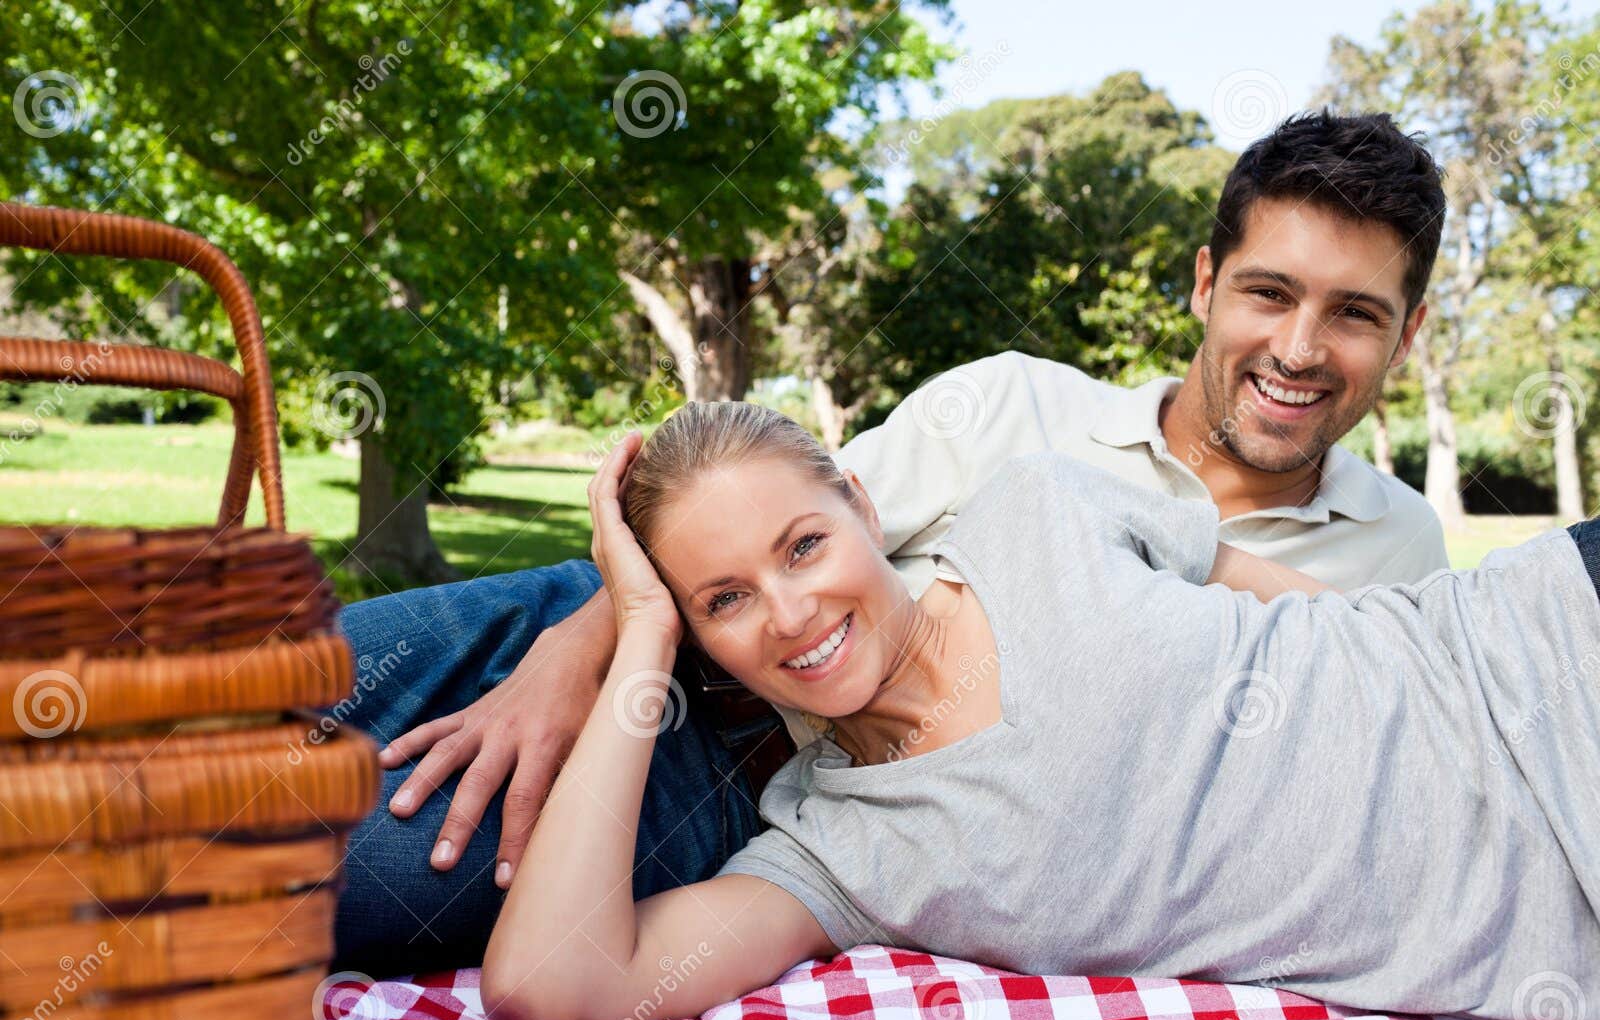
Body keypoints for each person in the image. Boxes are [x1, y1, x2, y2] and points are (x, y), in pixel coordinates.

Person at [331, 108, 1452, 976]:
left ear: (1404, 334)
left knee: (246, 866)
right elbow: (788, 521)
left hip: (735, 794)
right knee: (213, 665)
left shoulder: (1395, 557)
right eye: (1268, 292)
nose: (1298, 347)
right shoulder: (1016, 408)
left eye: (1354, 312)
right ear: (1206, 284)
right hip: (602, 621)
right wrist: (564, 661)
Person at [481, 404, 1600, 1020]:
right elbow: (550, 983)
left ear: (862, 509)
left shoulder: (1036, 507)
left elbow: (1337, 620)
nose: (790, 611)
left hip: (1552, 634)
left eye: (805, 544)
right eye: (721, 599)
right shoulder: (843, 852)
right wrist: (633, 627)